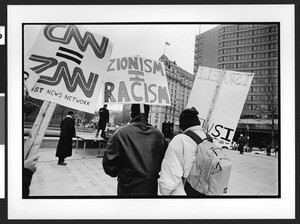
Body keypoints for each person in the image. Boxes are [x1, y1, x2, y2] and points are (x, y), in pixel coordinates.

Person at [102, 104, 167, 196]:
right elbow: (165, 161)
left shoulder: (120, 133)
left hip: (127, 187)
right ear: (148, 114)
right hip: (150, 187)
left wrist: (124, 173)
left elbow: (109, 165)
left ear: (132, 114)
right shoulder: (159, 135)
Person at [159, 107, 208, 196]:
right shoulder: (211, 140)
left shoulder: (179, 140)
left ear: (182, 126)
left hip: (185, 193)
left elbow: (171, 173)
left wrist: (165, 192)